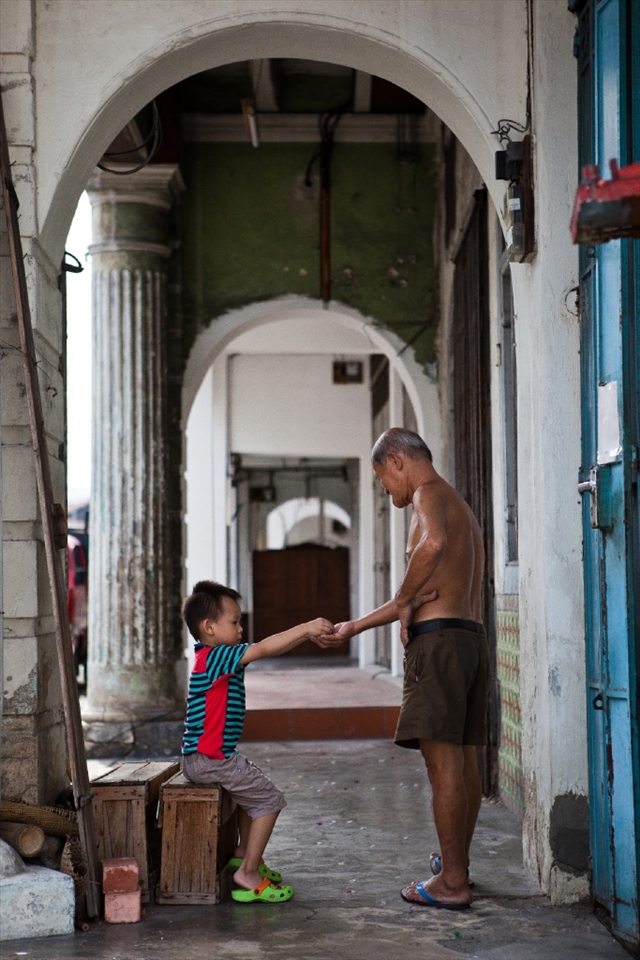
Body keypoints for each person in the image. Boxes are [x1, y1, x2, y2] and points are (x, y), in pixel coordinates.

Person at [319, 427, 490, 910]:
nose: (385, 490)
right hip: (469, 639)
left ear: (397, 460)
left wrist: (405, 597)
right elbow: (419, 591)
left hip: (438, 649)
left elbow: (430, 546)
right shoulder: (458, 503)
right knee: (465, 763)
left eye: (381, 479)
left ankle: (452, 882)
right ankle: (458, 864)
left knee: (444, 767)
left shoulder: (427, 496)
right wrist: (357, 625)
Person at [181, 579, 333, 904]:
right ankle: (247, 873)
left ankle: (243, 855)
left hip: (208, 757)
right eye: (234, 622)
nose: (240, 629)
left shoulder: (212, 657)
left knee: (251, 793)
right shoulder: (217, 655)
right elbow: (264, 648)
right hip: (211, 759)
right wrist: (306, 628)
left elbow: (263, 648)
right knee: (269, 801)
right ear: (208, 627)